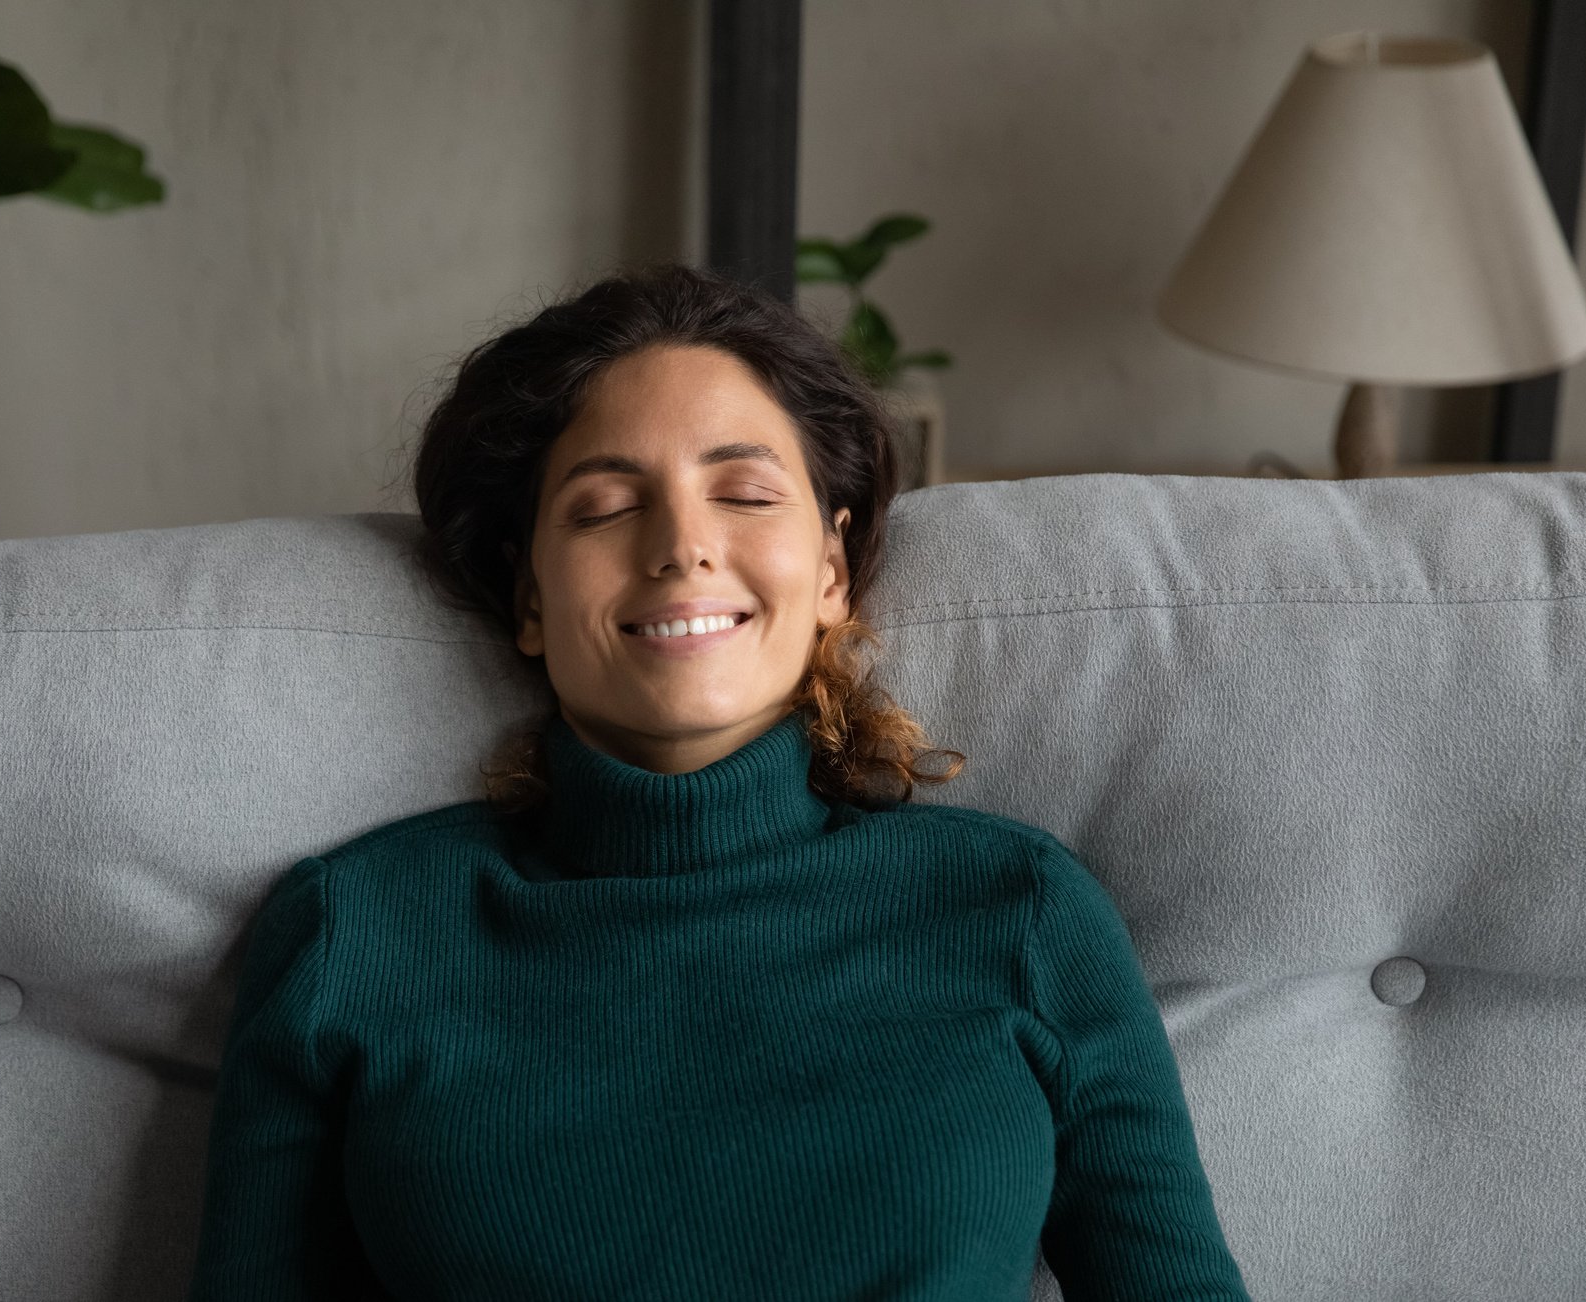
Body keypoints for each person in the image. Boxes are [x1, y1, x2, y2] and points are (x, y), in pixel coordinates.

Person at [187, 261, 1253, 1300]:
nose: (684, 545)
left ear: (832, 571)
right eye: (605, 509)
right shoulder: (356, 932)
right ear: (527, 598)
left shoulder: (1016, 911)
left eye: (744, 493)